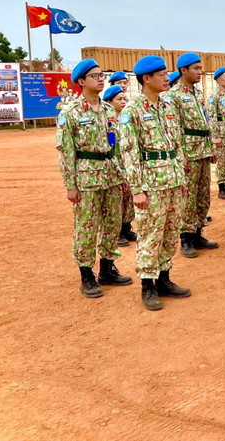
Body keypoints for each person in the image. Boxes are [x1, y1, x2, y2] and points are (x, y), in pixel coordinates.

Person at [120, 55, 190, 311]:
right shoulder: (133, 110)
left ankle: (164, 278)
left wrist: (181, 177)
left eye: (166, 73)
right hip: (151, 183)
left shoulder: (169, 106)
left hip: (172, 179)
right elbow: (129, 151)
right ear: (146, 78)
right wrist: (137, 189)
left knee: (171, 232)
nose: (166, 78)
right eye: (160, 74)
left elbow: (177, 143)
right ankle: (148, 285)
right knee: (151, 234)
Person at [57, 59, 132, 298]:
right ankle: (86, 274)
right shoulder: (71, 112)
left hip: (111, 174)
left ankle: (107, 268)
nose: (101, 79)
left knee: (112, 223)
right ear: (81, 82)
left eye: (101, 75)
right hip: (86, 178)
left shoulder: (110, 110)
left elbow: (117, 144)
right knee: (87, 227)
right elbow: (66, 150)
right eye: (95, 76)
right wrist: (70, 185)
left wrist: (124, 174)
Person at [166, 52, 218, 258]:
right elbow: (173, 127)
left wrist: (211, 146)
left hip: (203, 150)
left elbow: (206, 122)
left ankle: (197, 232)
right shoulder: (173, 95)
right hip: (188, 151)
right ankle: (186, 237)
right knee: (188, 197)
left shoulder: (197, 93)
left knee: (203, 195)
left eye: (200, 67)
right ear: (183, 70)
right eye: (196, 68)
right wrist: (181, 156)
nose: (200, 71)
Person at [103, 85, 137, 247]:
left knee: (129, 198)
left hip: (127, 164)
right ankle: (117, 233)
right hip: (113, 166)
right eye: (119, 99)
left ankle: (126, 227)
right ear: (109, 102)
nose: (123, 102)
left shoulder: (127, 118)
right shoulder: (108, 122)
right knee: (117, 201)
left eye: (124, 99)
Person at [208, 66, 225, 199]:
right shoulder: (214, 96)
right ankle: (222, 187)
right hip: (221, 132)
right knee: (222, 161)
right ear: (218, 80)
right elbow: (212, 117)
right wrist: (216, 136)